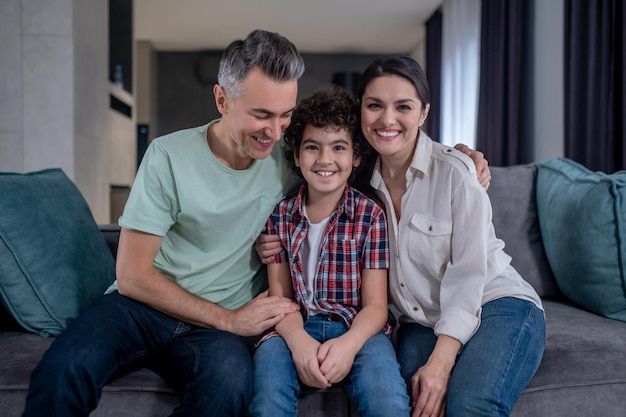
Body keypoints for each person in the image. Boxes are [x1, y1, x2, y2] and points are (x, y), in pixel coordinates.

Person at [22, 29, 304, 417]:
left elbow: (346, 181)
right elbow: (133, 276)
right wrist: (230, 320)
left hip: (212, 335)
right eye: (260, 115)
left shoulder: (289, 161)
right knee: (63, 369)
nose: (274, 132)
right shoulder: (168, 156)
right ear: (222, 99)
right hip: (144, 307)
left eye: (284, 115)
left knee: (229, 389)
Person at [355, 54, 546, 417]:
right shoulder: (356, 180)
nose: (387, 119)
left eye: (403, 106)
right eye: (374, 105)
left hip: (495, 302)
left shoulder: (457, 172)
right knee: (417, 405)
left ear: (424, 114)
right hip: (423, 320)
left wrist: (442, 362)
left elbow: (469, 273)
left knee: (470, 405)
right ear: (360, 111)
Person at [247, 85, 411, 417]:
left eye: (338, 147)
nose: (325, 159)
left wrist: (349, 345)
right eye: (312, 147)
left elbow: (377, 307)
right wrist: (298, 342)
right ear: (296, 155)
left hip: (358, 328)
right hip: (294, 325)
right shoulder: (280, 216)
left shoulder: (370, 216)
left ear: (356, 157)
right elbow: (281, 299)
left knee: (388, 400)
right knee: (268, 399)